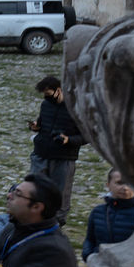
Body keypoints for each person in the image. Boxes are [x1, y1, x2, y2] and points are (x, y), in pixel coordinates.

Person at [28, 76, 85, 207]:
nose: (46, 97)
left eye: (48, 94)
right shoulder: (46, 104)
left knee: (60, 194)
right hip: (40, 154)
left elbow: (87, 136)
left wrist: (68, 140)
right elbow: (41, 122)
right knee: (35, 190)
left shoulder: (77, 109)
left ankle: (57, 222)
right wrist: (36, 126)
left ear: (59, 90)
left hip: (63, 158)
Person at [81, 169, 134, 260]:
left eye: (130, 183)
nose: (125, 188)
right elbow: (90, 239)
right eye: (119, 183)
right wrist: (88, 255)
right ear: (108, 185)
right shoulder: (97, 212)